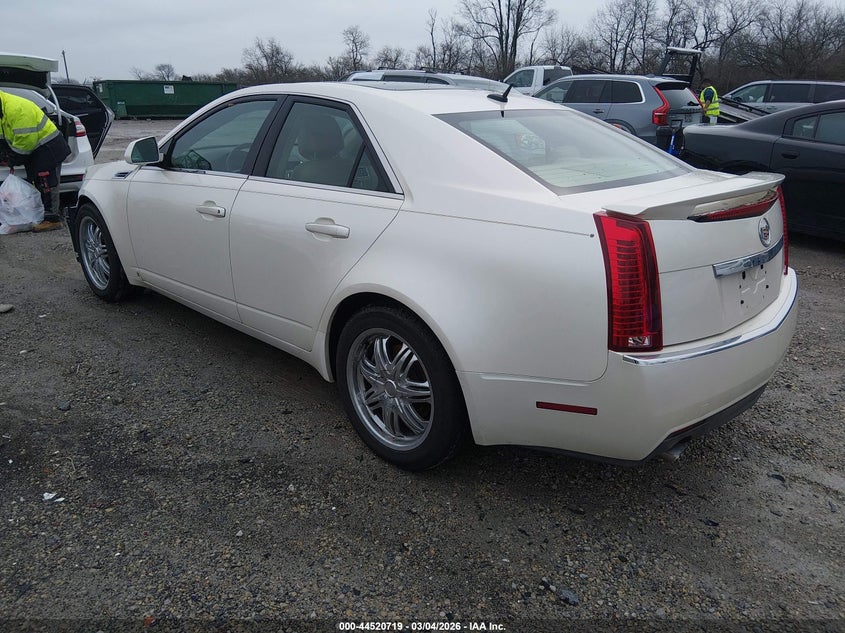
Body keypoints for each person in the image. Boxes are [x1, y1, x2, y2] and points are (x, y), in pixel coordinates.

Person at [0, 89, 71, 232]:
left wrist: (13, 159)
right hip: (36, 149)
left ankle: (52, 219)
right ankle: (39, 215)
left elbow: (25, 143)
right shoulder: (3, 110)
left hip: (48, 146)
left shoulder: (16, 109)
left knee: (46, 182)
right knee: (35, 180)